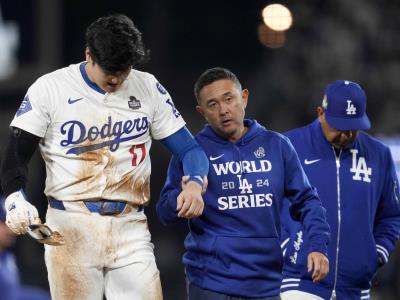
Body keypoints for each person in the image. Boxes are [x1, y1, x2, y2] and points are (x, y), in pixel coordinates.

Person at [0, 14, 209, 300]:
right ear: (89, 54)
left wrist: (195, 183)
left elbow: (190, 149)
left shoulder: (146, 86)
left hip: (130, 227)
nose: (116, 78)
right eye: (109, 69)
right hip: (71, 225)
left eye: (123, 70)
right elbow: (15, 152)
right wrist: (14, 198)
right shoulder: (50, 88)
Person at [157, 67, 331, 300]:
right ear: (202, 112)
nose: (223, 110)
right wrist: (182, 197)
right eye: (212, 105)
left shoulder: (277, 146)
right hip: (210, 284)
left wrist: (317, 245)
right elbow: (164, 212)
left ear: (245, 98)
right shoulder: (192, 152)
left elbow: (308, 201)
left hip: (265, 284)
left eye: (229, 99)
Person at [280, 80, 400, 300]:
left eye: (353, 128)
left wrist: (375, 253)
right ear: (320, 113)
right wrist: (289, 247)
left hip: (355, 289)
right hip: (300, 281)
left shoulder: (379, 155)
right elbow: (268, 204)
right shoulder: (289, 145)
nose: (346, 136)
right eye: (339, 127)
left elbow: (391, 215)